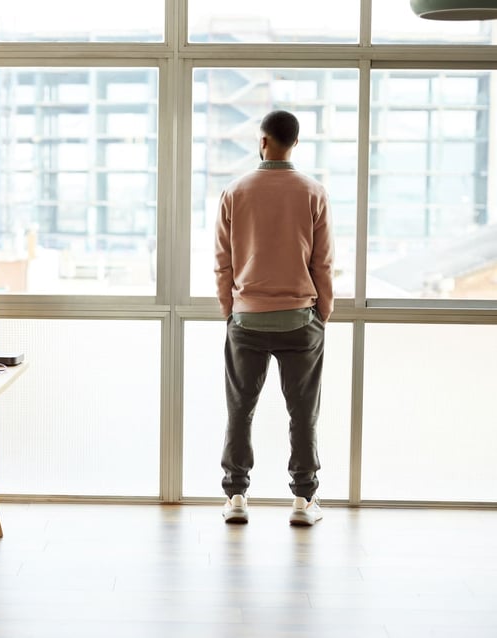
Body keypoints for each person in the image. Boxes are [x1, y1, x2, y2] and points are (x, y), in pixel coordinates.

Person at [214, 110, 334, 526]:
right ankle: (303, 501)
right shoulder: (313, 192)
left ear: (262, 141)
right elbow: (323, 263)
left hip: (247, 320)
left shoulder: (235, 191)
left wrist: (230, 312)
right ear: (295, 143)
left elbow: (222, 263)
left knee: (239, 410)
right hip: (301, 320)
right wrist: (324, 312)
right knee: (303, 412)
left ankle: (236, 498)